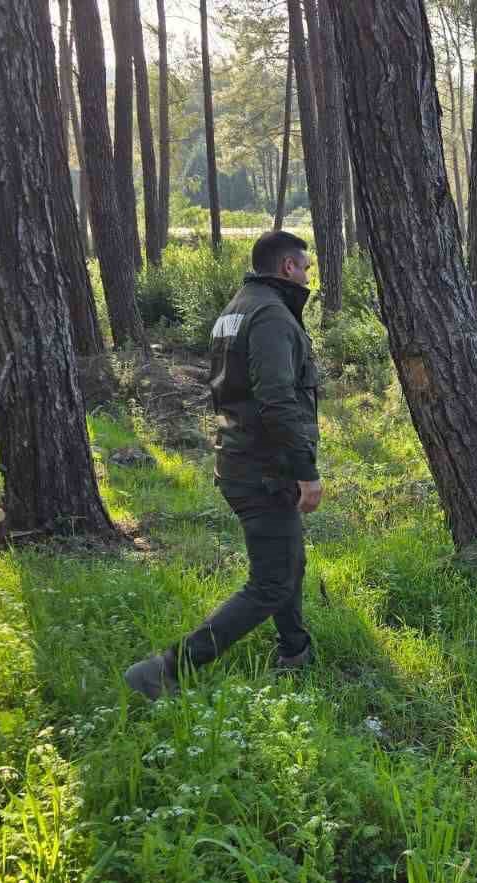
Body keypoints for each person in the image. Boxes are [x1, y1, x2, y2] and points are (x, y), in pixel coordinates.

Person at [125, 231, 323, 699]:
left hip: (241, 458)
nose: (310, 275)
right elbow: (276, 399)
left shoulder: (237, 308)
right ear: (288, 268)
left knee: (287, 564)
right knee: (271, 582)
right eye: (307, 266)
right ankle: (166, 670)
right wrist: (305, 470)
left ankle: (296, 652)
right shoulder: (272, 314)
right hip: (264, 467)